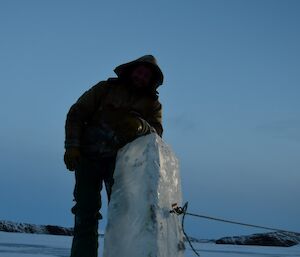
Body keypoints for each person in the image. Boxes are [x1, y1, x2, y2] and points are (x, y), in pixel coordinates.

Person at [63, 54, 164, 257]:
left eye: (146, 75)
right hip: (88, 158)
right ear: (132, 70)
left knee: (123, 217)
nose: (141, 77)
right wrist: (72, 146)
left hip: (121, 166)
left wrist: (140, 125)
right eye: (140, 71)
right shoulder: (105, 89)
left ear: (151, 80)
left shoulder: (153, 105)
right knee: (85, 212)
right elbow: (77, 113)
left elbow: (157, 134)